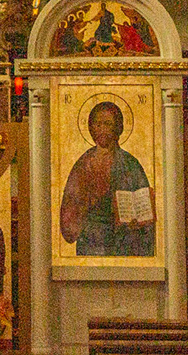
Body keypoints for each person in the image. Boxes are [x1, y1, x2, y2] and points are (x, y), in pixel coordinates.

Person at [59, 101, 155, 256]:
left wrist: (137, 221)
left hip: (122, 241)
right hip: (90, 242)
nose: (102, 129)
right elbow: (70, 203)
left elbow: (144, 206)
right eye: (98, 124)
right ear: (91, 127)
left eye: (107, 124)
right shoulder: (84, 163)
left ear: (118, 128)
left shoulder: (130, 164)